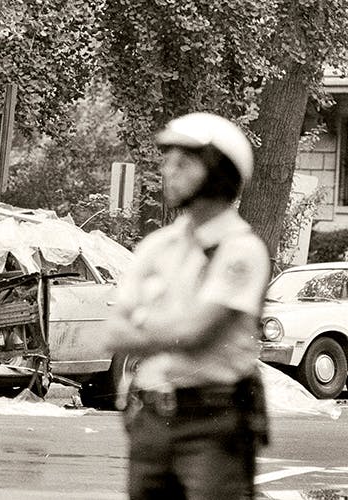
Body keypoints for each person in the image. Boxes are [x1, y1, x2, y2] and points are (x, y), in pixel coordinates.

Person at [106, 112, 271, 499]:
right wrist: (166, 329)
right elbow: (113, 332)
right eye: (168, 161)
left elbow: (196, 333)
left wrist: (145, 326)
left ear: (218, 171)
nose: (168, 171)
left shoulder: (241, 250)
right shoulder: (157, 246)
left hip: (213, 423)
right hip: (149, 419)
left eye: (183, 163)